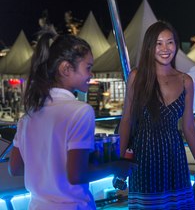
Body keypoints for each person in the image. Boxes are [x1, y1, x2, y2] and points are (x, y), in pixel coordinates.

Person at [8, 32, 135, 209]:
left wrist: (49, 168)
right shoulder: (80, 111)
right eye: (88, 68)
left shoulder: (29, 114)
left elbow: (15, 168)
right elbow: (76, 175)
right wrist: (116, 166)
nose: (91, 75)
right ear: (66, 68)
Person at [119, 21, 195, 209]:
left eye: (170, 42)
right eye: (158, 43)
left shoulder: (185, 81)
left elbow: (188, 127)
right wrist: (120, 160)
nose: (165, 48)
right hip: (144, 156)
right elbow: (126, 120)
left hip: (174, 156)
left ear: (176, 45)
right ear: (149, 46)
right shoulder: (137, 77)